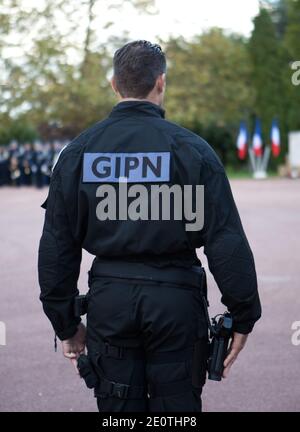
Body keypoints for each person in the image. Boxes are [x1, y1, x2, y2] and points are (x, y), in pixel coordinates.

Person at [38, 40, 261, 412]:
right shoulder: (193, 151)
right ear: (161, 82)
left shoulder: (79, 153)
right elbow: (225, 241)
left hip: (111, 302)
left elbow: (57, 247)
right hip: (176, 301)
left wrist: (67, 324)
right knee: (177, 413)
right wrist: (244, 314)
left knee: (119, 412)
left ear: (114, 85)